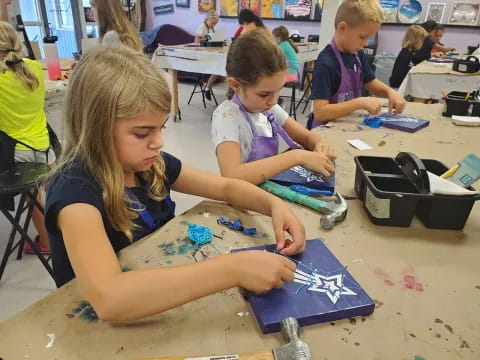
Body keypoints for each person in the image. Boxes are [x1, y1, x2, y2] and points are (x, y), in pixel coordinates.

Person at [44, 45, 306, 321]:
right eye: (143, 133)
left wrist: (275, 206)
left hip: (159, 296)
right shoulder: (74, 193)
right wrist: (232, 269)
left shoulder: (150, 164)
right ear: (96, 129)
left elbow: (225, 187)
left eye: (161, 128)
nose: (158, 142)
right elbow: (110, 299)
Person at [211, 30, 336, 186]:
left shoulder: (269, 108)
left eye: (279, 90)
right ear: (236, 85)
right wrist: (297, 157)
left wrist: (320, 144)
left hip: (268, 190)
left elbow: (306, 137)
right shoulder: (227, 117)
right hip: (244, 200)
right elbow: (231, 175)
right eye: (264, 94)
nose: (273, 100)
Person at [309, 0, 405, 128]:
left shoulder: (358, 54)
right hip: (324, 131)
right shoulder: (326, 62)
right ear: (342, 28)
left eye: (369, 38)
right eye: (362, 37)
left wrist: (390, 92)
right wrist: (359, 102)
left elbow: (372, 83)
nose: (365, 43)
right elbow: (320, 112)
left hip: (345, 125)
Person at [0, 21, 53, 254]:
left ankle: (47, 242)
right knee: (38, 194)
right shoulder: (33, 67)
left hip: (19, 154)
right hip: (45, 146)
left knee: (33, 198)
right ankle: (51, 233)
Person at [194, 10, 220, 101]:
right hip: (201, 56)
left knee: (220, 67)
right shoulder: (202, 27)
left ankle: (207, 87)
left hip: (207, 54)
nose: (214, 25)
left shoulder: (210, 27)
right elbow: (196, 42)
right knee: (218, 68)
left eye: (215, 24)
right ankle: (207, 87)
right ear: (207, 19)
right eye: (213, 23)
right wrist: (209, 38)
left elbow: (210, 39)